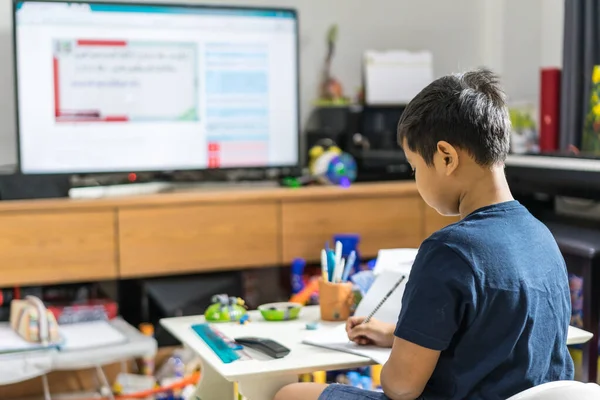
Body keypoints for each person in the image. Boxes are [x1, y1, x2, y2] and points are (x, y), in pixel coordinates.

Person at [274, 69, 574, 400]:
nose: (416, 179)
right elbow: (494, 343)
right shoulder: (542, 238)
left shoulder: (450, 251)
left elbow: (401, 387)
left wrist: (393, 366)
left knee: (290, 393)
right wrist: (398, 336)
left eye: (415, 167)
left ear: (446, 157)